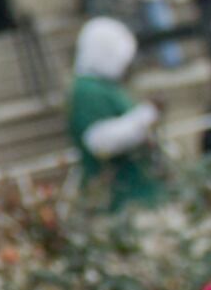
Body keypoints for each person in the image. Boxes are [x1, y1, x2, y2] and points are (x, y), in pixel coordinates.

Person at [64, 16, 163, 207]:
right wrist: (146, 115)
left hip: (142, 189)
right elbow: (100, 141)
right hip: (120, 199)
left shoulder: (108, 86)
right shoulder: (86, 91)